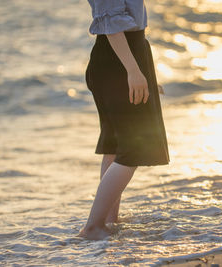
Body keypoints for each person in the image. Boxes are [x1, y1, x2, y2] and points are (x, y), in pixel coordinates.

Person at [77, 0, 170, 240]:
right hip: (119, 60)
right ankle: (93, 227)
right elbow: (111, 23)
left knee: (116, 146)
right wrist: (134, 71)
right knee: (133, 149)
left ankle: (108, 220)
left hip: (125, 56)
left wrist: (143, 72)